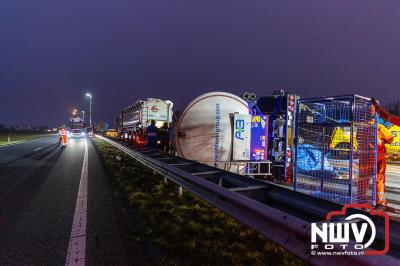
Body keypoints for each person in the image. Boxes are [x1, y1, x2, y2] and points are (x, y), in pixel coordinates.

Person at [369, 101, 395, 210]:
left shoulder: (362, 128)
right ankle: (380, 203)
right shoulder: (379, 127)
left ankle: (361, 201)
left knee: (364, 180)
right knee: (379, 180)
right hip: (379, 157)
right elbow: (390, 138)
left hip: (366, 158)